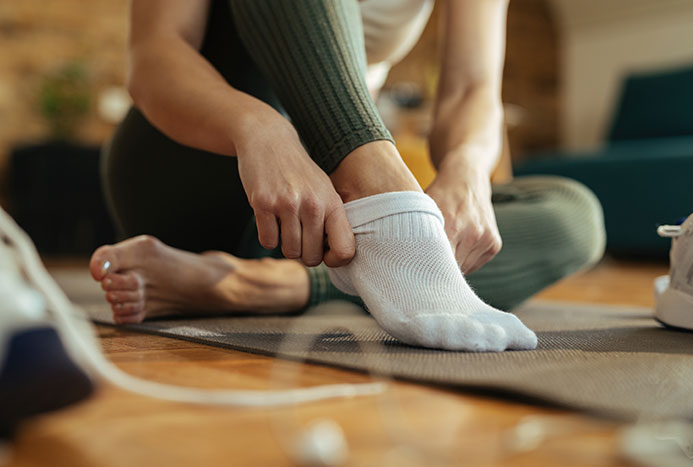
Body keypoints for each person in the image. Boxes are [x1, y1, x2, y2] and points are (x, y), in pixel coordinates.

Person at [89, 0, 605, 351]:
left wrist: (467, 169)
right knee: (390, 211)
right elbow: (154, 54)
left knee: (573, 214)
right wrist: (261, 129)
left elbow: (472, 88)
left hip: (331, 220)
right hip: (202, 163)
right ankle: (385, 202)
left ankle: (258, 285)